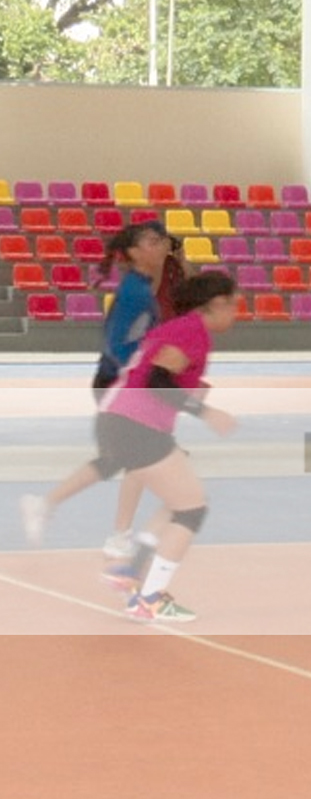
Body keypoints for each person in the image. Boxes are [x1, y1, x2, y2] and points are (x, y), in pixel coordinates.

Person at [94, 271, 241, 622]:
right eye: (233, 304)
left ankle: (129, 570)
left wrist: (193, 389)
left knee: (178, 501)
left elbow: (158, 374)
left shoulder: (183, 329)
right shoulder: (192, 331)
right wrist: (203, 410)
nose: (236, 312)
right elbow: (157, 379)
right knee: (191, 509)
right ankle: (149, 598)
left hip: (129, 425)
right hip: (136, 427)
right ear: (216, 304)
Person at [20, 221, 173, 552]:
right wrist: (145, 369)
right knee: (140, 458)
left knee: (123, 459)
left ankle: (49, 507)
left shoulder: (142, 283)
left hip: (124, 383)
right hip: (119, 383)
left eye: (163, 240)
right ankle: (116, 536)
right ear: (133, 252)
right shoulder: (134, 293)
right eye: (152, 241)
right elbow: (115, 344)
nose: (161, 244)